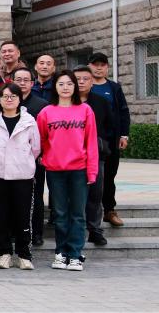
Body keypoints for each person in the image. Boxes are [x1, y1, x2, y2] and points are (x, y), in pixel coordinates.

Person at [37, 70, 98, 271]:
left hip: (79, 169)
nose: (65, 87)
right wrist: (46, 157)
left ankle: (75, 254)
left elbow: (91, 142)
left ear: (75, 87)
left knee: (78, 214)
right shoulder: (46, 112)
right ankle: (61, 253)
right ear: (55, 87)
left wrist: (92, 171)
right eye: (61, 84)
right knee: (60, 213)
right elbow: (41, 139)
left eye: (69, 84)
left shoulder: (85, 110)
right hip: (55, 170)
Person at [0, 84, 40, 270]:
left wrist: (22, 161)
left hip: (22, 175)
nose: (9, 99)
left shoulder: (29, 122)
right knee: (0, 216)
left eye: (13, 96)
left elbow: (36, 148)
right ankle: (4, 253)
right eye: (5, 96)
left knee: (23, 216)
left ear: (19, 99)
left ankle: (24, 254)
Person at [87, 53, 130, 229]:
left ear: (107, 67)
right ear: (89, 66)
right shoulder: (83, 86)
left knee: (109, 176)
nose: (98, 68)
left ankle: (109, 210)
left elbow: (123, 111)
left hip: (110, 140)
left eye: (102, 65)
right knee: (88, 177)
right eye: (95, 64)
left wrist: (124, 135)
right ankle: (87, 212)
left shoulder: (114, 87)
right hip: (87, 139)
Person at [74, 67, 114, 246]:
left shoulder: (101, 102)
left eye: (85, 79)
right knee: (74, 194)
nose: (81, 82)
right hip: (71, 155)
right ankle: (76, 230)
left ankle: (95, 230)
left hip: (95, 154)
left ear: (92, 82)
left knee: (95, 193)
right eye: (78, 79)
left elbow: (110, 126)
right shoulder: (66, 102)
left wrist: (101, 143)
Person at [12, 67, 50, 247]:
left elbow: (46, 134)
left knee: (36, 196)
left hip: (35, 158)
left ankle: (36, 233)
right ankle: (15, 231)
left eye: (25, 80)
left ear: (32, 83)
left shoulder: (41, 105)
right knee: (14, 197)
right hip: (12, 159)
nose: (22, 83)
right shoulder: (7, 101)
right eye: (18, 79)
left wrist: (41, 154)